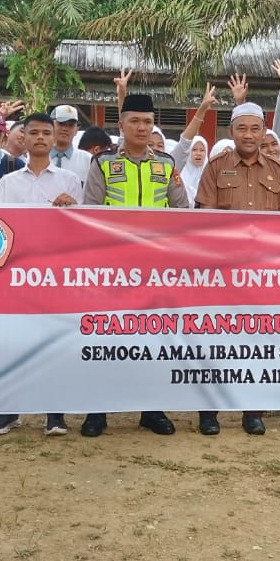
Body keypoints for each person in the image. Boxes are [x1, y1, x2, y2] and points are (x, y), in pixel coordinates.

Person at [82, 92, 191, 437]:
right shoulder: (102, 163)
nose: (142, 127)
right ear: (121, 125)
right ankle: (97, 411)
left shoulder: (166, 165)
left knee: (155, 339)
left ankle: (151, 408)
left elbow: (183, 214)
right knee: (105, 338)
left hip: (156, 269)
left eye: (147, 121)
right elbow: (90, 215)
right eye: (135, 121)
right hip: (112, 267)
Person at [193, 99, 280, 436]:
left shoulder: (279, 171)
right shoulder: (215, 167)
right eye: (241, 128)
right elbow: (203, 220)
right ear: (231, 131)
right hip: (221, 271)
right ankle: (209, 413)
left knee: (258, 342)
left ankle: (253, 411)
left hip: (264, 272)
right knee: (214, 341)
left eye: (255, 128)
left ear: (264, 131)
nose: (249, 135)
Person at [0, 112, 83, 437]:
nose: (40, 138)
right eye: (34, 133)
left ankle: (55, 414)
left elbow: (85, 229)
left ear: (55, 139)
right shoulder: (7, 183)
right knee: (13, 342)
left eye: (46, 133)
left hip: (56, 275)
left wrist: (74, 209)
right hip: (16, 276)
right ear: (22, 138)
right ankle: (8, 412)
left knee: (54, 342)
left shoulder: (69, 181)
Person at [49, 105, 92, 181]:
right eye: (61, 123)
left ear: (76, 129)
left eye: (71, 125)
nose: (65, 129)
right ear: (50, 126)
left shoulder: (87, 159)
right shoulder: (36, 157)